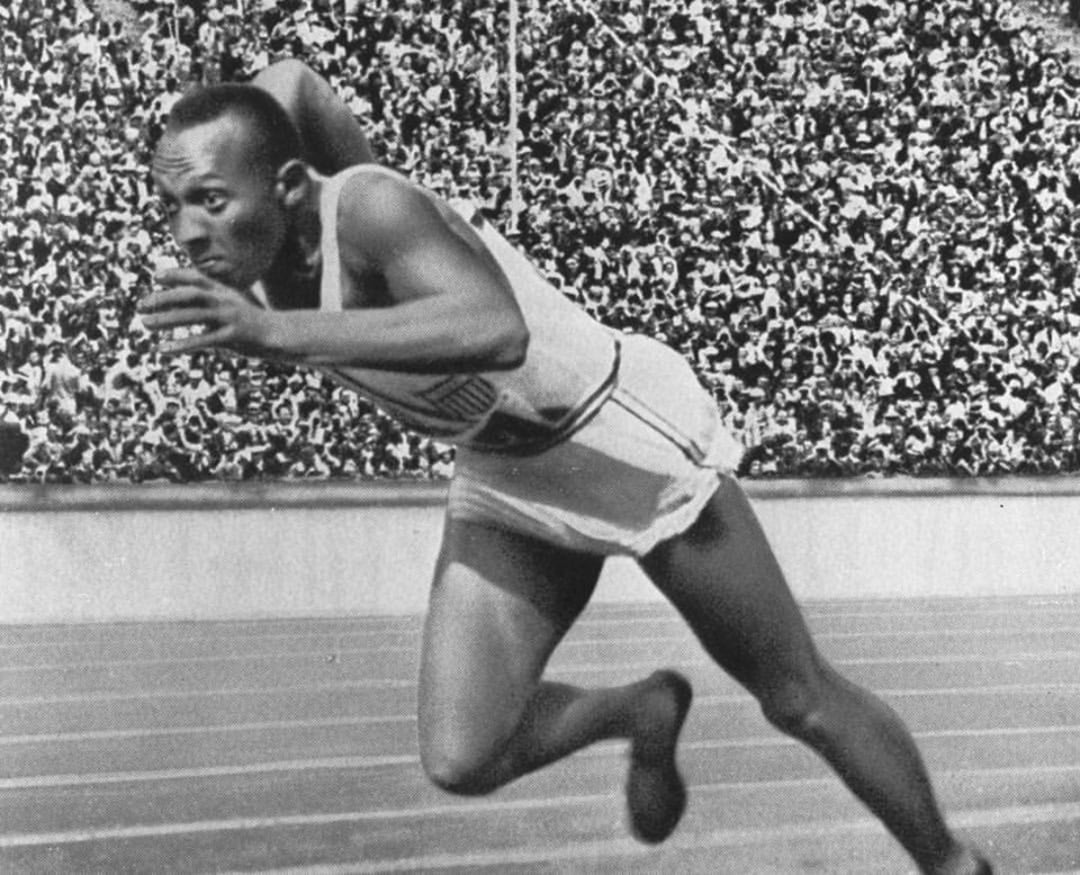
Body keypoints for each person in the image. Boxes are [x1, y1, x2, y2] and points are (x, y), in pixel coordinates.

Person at [137, 64, 991, 873]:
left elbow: (496, 328)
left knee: (798, 696)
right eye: (173, 204)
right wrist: (237, 154)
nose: (188, 232)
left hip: (614, 436)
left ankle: (953, 863)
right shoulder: (250, 257)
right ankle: (639, 709)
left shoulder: (370, 213)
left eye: (211, 199)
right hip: (507, 475)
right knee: (462, 753)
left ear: (287, 184)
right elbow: (288, 82)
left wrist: (278, 330)